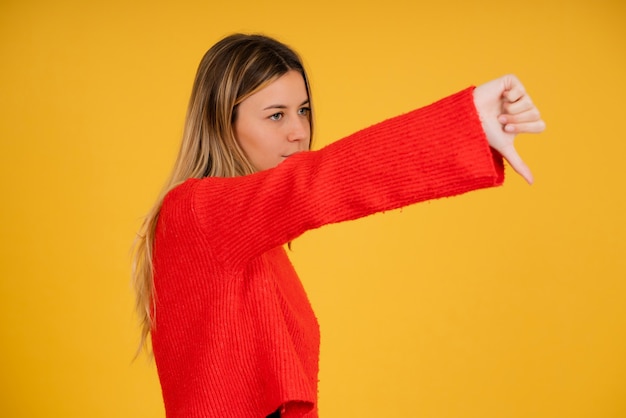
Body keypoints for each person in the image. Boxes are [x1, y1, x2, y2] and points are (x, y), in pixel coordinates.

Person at [132, 33, 545, 418]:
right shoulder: (195, 211)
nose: (298, 132)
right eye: (275, 115)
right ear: (223, 123)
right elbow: (318, 183)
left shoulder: (256, 243)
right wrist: (467, 121)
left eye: (303, 111)